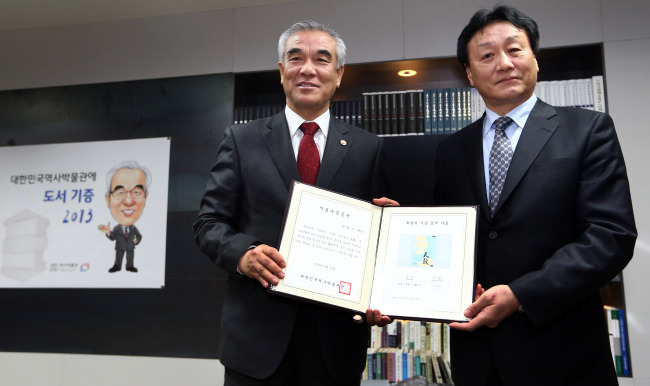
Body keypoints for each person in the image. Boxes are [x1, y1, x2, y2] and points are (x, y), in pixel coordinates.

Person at [433, 5, 637, 386]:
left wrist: (521, 294)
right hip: (478, 357)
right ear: (469, 74)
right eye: (488, 55)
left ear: (535, 60)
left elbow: (611, 236)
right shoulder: (450, 150)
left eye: (515, 49)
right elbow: (443, 237)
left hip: (563, 351)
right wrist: (393, 228)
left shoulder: (587, 130)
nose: (504, 63)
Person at [193, 20, 394, 385]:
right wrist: (243, 254)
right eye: (296, 58)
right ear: (282, 71)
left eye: (321, 59)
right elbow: (208, 224)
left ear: (338, 74)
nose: (308, 69)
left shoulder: (369, 148)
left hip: (336, 344)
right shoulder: (242, 140)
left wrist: (390, 235)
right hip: (255, 344)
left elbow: (376, 238)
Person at [98, 160, 151, 273]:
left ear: (146, 196)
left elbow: (139, 235)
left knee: (130, 257)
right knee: (119, 256)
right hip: (120, 247)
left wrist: (136, 240)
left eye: (136, 192)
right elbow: (113, 237)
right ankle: (117, 266)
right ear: (108, 199)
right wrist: (108, 232)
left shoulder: (133, 228)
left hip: (131, 246)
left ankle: (129, 266)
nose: (128, 201)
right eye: (120, 192)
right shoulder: (117, 228)